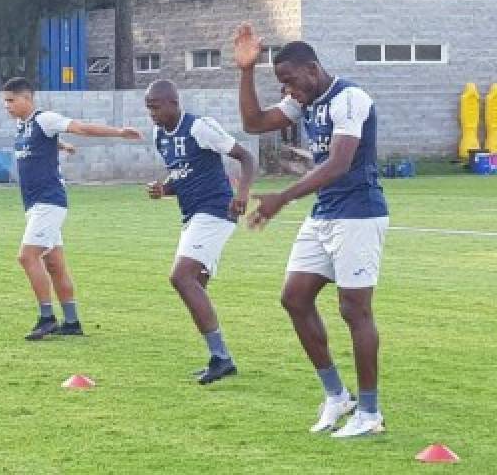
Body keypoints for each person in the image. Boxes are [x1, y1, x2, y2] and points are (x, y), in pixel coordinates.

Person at [233, 24, 389, 438]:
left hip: (358, 213)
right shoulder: (303, 101)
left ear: (313, 68)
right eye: (280, 82)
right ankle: (337, 396)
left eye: (290, 79)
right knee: (294, 298)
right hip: (324, 215)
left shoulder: (349, 99)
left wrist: (282, 197)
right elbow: (253, 122)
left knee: (354, 310)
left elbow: (339, 163)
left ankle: (369, 414)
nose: (287, 89)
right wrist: (246, 70)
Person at [2, 77, 142, 340]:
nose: (6, 106)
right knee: (54, 264)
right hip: (34, 204)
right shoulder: (23, 126)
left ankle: (46, 318)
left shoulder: (45, 119)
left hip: (49, 202)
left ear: (27, 98)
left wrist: (120, 132)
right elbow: (43, 143)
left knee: (27, 257)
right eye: (5, 101)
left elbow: (81, 128)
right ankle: (72, 322)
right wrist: (62, 146)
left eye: (11, 100)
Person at [144, 79, 257, 385]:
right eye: (148, 108)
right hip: (193, 216)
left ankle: (222, 358)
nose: (151, 114)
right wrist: (163, 189)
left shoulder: (199, 128)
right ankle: (219, 358)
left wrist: (243, 193)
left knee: (181, 278)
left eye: (155, 107)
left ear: (173, 103)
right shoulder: (159, 136)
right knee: (196, 285)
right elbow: (182, 174)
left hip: (217, 210)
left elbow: (246, 157)